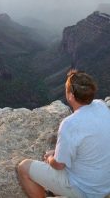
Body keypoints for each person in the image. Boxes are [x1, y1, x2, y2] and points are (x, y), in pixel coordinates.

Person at [17, 70, 110, 198]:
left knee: (23, 167)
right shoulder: (101, 106)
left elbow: (59, 165)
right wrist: (56, 153)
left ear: (71, 95)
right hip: (104, 185)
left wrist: (50, 159)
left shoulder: (70, 124)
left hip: (85, 191)